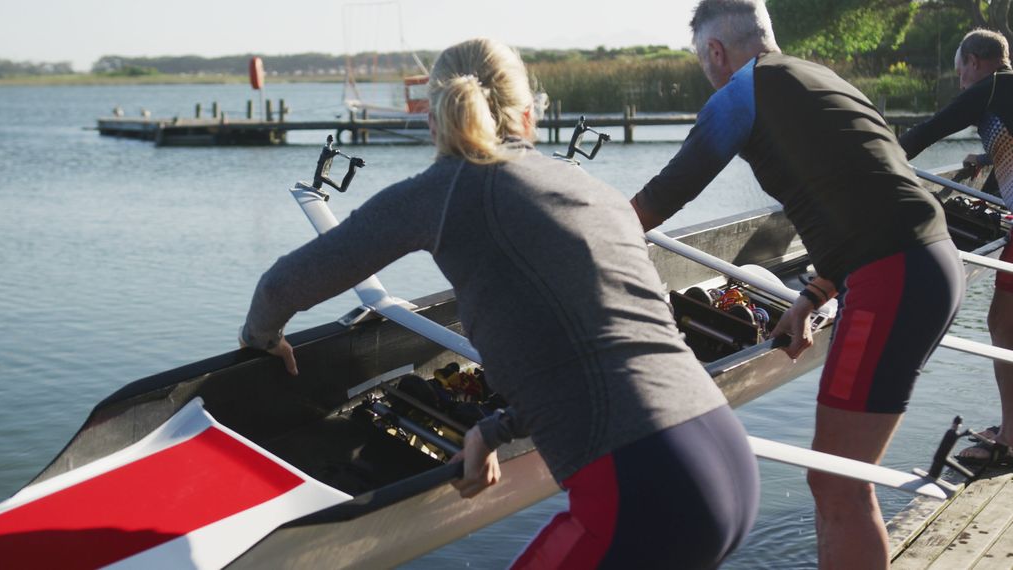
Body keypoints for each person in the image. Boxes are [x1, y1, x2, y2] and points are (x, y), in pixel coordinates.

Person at [240, 37, 758, 568]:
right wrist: (493, 430)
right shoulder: (598, 194)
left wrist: (260, 337)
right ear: (530, 114)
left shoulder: (442, 192)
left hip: (642, 489)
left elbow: (285, 286)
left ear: (434, 123)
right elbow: (607, 351)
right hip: (724, 455)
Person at [629, 1, 964, 568]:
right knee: (839, 480)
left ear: (715, 51)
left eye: (702, 62)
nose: (705, 75)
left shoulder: (741, 91)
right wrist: (810, 297)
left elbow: (659, 199)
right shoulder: (822, 78)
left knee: (837, 485)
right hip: (928, 262)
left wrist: (571, 240)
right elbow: (864, 196)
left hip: (893, 278)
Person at [899, 29, 1013, 464]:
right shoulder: (1007, 90)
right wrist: (986, 160)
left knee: (1003, 325)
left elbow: (931, 129)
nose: (961, 79)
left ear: (974, 61)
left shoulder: (993, 87)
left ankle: (1011, 437)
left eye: (960, 68)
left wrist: (873, 159)